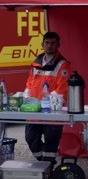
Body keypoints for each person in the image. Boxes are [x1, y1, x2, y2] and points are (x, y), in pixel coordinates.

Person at [24, 31, 72, 165]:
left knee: (51, 144)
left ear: (58, 45)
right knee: (30, 138)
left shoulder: (63, 65)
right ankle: (43, 164)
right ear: (42, 44)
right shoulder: (35, 63)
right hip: (34, 112)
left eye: (53, 43)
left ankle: (48, 169)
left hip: (53, 113)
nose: (50, 46)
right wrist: (27, 98)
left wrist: (43, 103)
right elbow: (29, 84)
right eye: (47, 43)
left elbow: (62, 90)